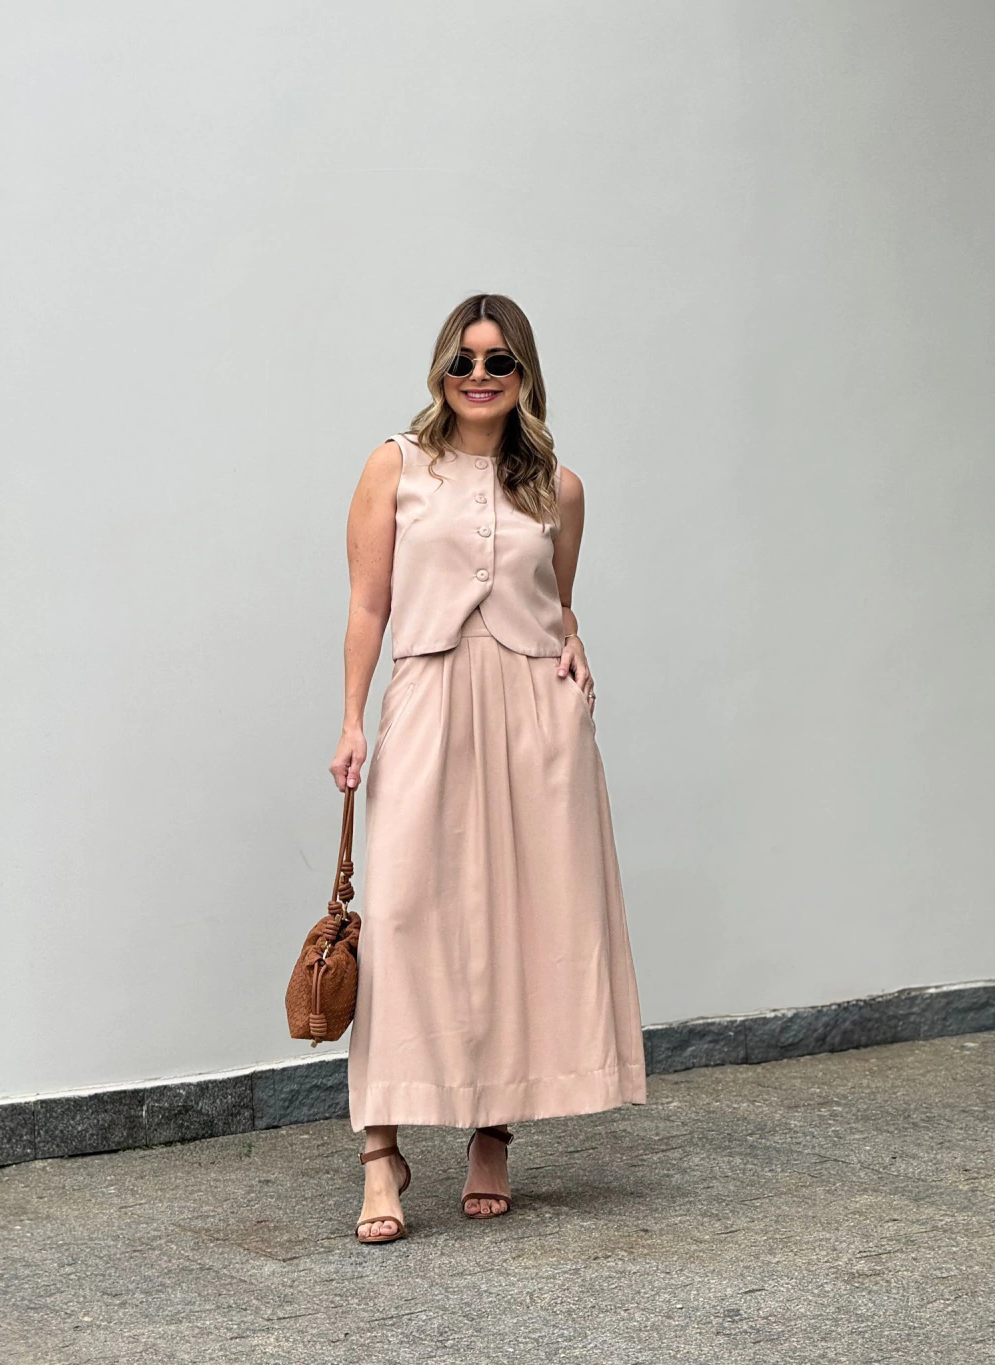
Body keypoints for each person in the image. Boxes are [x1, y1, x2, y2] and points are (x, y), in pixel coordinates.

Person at [331, 293, 647, 1244]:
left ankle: (493, 1134)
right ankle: (381, 1150)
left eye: (498, 360)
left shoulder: (560, 487)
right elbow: (368, 606)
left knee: (517, 919)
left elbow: (559, 599)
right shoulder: (395, 465)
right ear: (441, 368)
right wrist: (351, 720)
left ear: (524, 375)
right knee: (402, 917)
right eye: (463, 359)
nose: (478, 375)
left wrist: (577, 643)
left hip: (535, 716)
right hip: (429, 695)